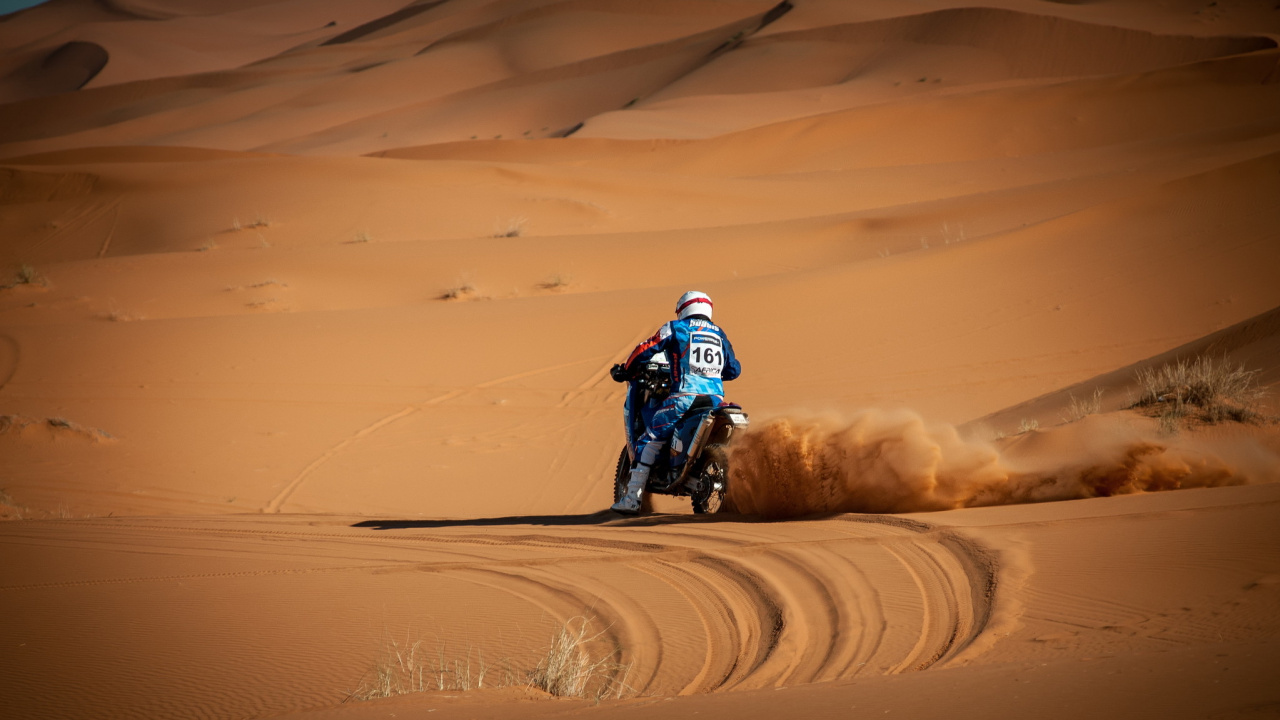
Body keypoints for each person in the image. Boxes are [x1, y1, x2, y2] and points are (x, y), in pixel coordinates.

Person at [608, 291, 741, 514]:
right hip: (715, 399)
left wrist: (627, 369)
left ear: (683, 309)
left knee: (648, 439)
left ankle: (631, 500)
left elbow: (646, 348)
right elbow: (734, 370)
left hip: (683, 398)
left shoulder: (676, 328)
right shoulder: (719, 333)